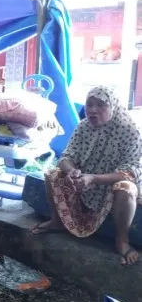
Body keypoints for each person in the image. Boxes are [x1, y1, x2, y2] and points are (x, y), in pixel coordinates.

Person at [33, 86, 142, 265]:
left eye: (101, 105)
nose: (92, 110)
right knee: (53, 174)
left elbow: (131, 171)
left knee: (126, 188)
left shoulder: (130, 130)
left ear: (113, 106)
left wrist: (94, 178)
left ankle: (122, 240)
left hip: (111, 183)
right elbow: (66, 157)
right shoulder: (83, 127)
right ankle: (57, 221)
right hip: (83, 181)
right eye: (89, 104)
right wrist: (72, 172)